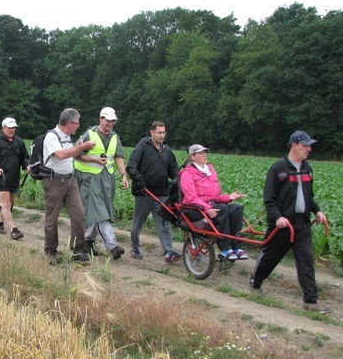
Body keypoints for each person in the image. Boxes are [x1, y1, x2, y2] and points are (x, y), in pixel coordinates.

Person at [250, 131, 330, 314]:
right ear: (294, 145)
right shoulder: (278, 168)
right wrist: (277, 217)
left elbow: (309, 196)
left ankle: (311, 301)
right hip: (282, 225)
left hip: (301, 224)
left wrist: (316, 211)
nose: (309, 149)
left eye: (310, 146)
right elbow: (269, 199)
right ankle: (255, 284)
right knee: (270, 257)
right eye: (305, 145)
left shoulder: (307, 168)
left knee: (306, 261)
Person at [42, 108, 97, 264]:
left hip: (70, 181)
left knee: (79, 214)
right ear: (69, 123)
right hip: (53, 181)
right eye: (77, 123)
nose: (78, 126)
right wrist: (80, 147)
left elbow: (70, 153)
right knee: (52, 218)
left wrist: (79, 147)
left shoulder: (67, 137)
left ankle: (78, 249)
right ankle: (51, 251)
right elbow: (60, 155)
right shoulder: (51, 137)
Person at [74, 107, 128, 260]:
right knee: (99, 212)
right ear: (100, 119)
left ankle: (87, 241)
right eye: (107, 120)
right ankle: (112, 246)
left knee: (98, 211)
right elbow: (76, 154)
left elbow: (118, 156)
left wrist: (123, 175)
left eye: (113, 121)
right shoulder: (89, 134)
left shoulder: (114, 137)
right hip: (89, 178)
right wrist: (94, 160)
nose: (110, 123)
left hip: (107, 179)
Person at [126, 121, 182, 263]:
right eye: (159, 132)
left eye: (163, 133)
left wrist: (179, 179)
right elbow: (131, 166)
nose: (162, 135)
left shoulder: (167, 151)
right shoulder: (142, 147)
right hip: (144, 192)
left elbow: (173, 170)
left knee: (164, 223)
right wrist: (138, 179)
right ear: (152, 132)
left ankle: (168, 251)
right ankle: (134, 247)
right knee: (138, 222)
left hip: (162, 193)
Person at [180, 144, 247, 261]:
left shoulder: (209, 171)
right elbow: (191, 197)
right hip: (194, 208)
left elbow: (216, 196)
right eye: (200, 153)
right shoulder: (187, 174)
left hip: (212, 204)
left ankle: (237, 248)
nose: (204, 155)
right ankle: (225, 249)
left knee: (237, 208)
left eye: (205, 152)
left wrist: (229, 197)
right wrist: (207, 208)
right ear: (193, 156)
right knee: (223, 209)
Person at [0, 117, 29, 240]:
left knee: (9, 203)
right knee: (6, 203)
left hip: (14, 177)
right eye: (9, 128)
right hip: (0, 178)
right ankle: (13, 229)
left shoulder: (19, 142)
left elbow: (25, 157)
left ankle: (0, 223)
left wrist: (27, 166)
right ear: (3, 128)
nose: (12, 130)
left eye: (13, 128)